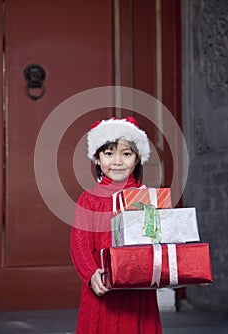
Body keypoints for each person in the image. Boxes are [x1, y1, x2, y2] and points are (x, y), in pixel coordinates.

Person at [70, 116, 162, 334]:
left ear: (137, 158)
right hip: (102, 286)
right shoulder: (89, 199)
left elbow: (160, 240)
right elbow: (79, 244)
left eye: (126, 154)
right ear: (98, 159)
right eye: (109, 154)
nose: (118, 161)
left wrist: (187, 271)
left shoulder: (147, 198)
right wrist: (91, 274)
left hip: (139, 290)